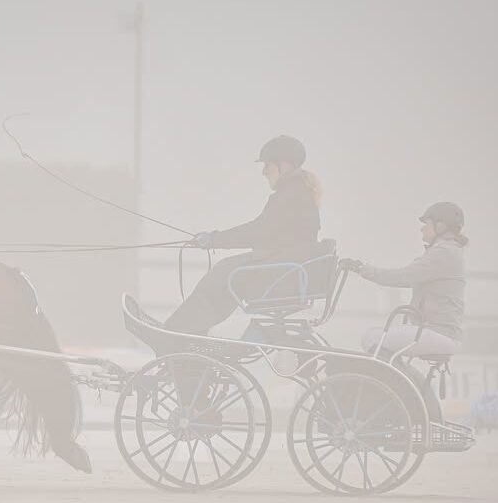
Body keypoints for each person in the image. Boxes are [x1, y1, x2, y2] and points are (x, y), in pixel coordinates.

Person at [165, 135, 322, 335]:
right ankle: (191, 329)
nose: (264, 171)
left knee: (224, 273)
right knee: (227, 273)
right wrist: (216, 239)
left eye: (268, 165)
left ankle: (180, 330)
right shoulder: (296, 194)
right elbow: (264, 232)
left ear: (285, 165)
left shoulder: (291, 196)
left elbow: (257, 232)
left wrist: (215, 239)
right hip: (283, 269)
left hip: (281, 271)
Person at [342, 202, 468, 357]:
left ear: (440, 226)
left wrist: (362, 269)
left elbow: (403, 277)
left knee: (371, 338)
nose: (422, 228)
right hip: (440, 332)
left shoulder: (443, 253)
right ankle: (396, 379)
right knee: (378, 337)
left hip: (437, 333)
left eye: (427, 224)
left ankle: (391, 381)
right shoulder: (447, 252)